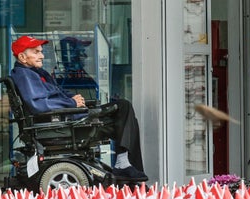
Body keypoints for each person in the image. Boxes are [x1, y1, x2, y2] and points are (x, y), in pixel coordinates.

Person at [10, 35, 148, 181]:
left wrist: (74, 100)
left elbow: (57, 93)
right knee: (123, 109)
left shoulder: (36, 73)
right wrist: (72, 103)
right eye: (36, 52)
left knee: (124, 112)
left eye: (41, 51)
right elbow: (39, 105)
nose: (42, 56)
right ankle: (124, 164)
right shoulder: (25, 75)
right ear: (22, 57)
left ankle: (124, 163)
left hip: (68, 117)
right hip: (63, 123)